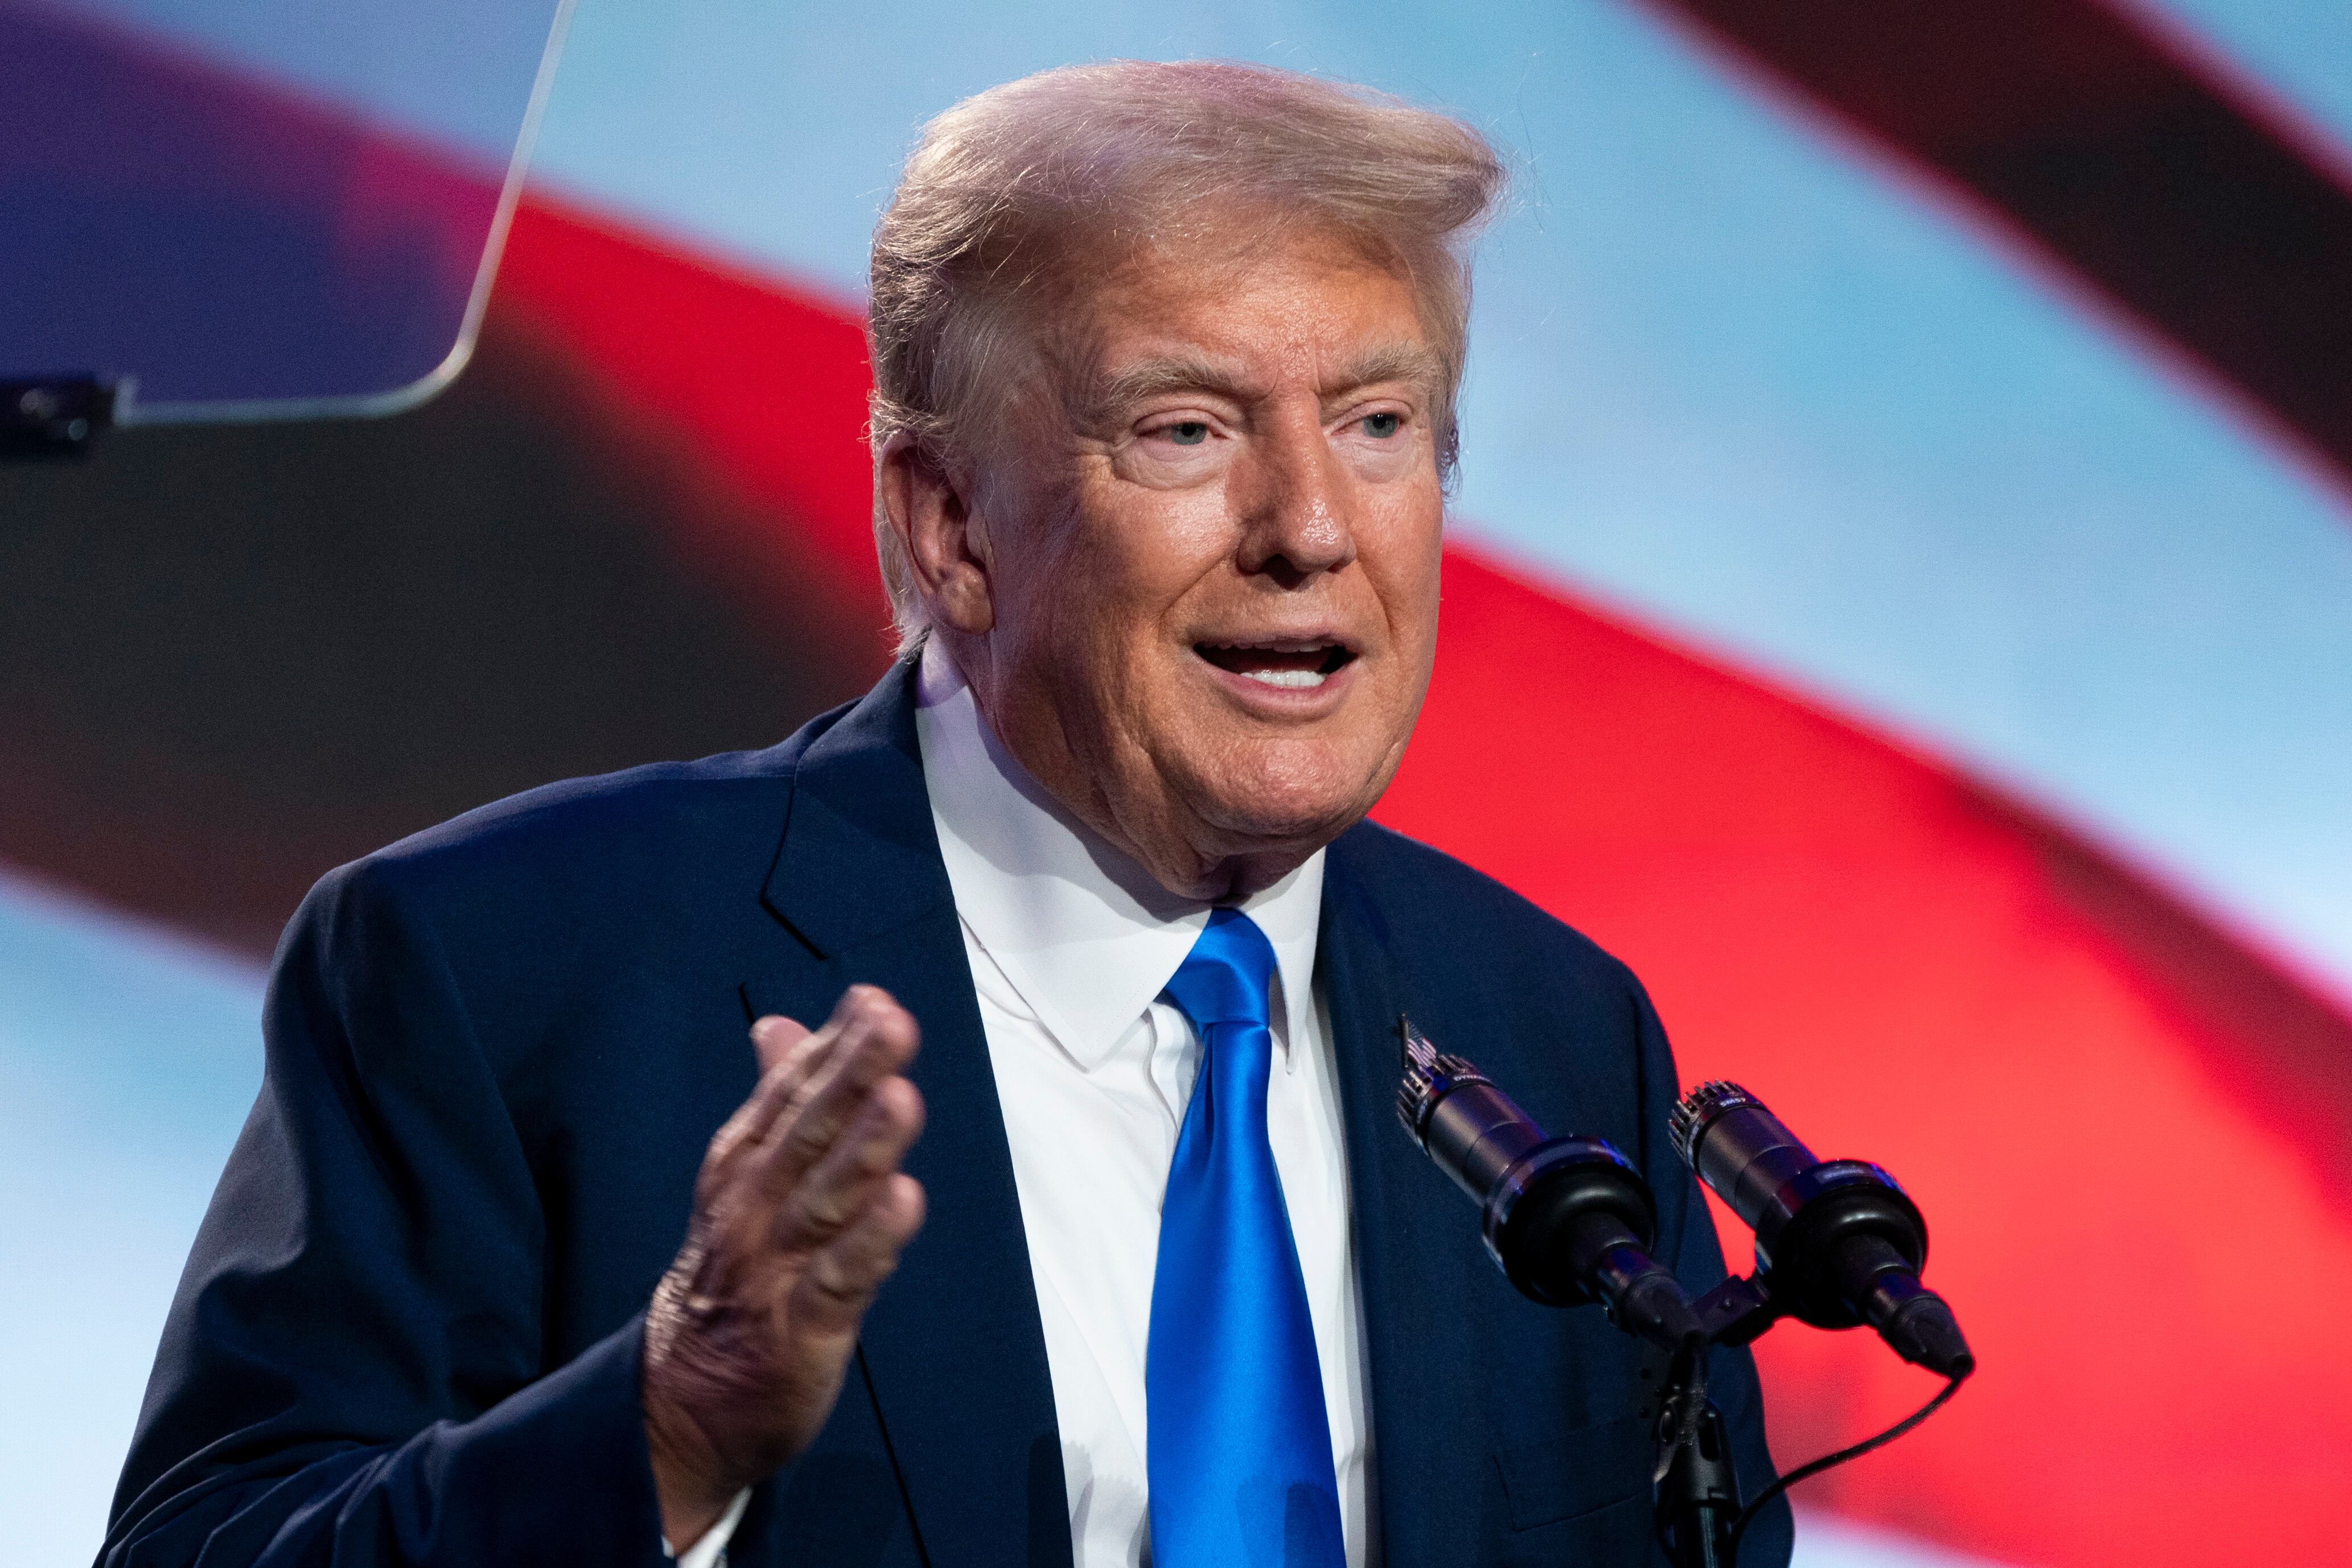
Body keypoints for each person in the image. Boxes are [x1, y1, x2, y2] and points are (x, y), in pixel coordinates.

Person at [104, 60, 1790, 1568]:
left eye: (1376, 424)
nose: (1309, 527)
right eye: (1187, 426)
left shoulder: (1554, 1031)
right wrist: (667, 1431)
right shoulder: (506, 969)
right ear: (950, 526)